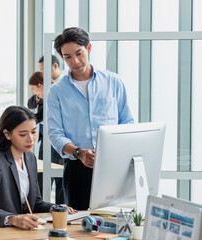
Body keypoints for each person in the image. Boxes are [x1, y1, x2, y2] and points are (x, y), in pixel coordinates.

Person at [46, 27, 134, 210]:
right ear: (62, 58)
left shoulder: (113, 82)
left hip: (113, 166)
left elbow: (127, 123)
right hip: (77, 168)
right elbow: (55, 134)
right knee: (79, 226)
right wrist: (79, 153)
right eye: (67, 57)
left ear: (89, 48)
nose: (75, 61)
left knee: (115, 221)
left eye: (79, 53)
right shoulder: (56, 92)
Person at [0, 106, 75, 229]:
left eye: (34, 132)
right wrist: (13, 219)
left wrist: (55, 208)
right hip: (0, 231)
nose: (31, 139)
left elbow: (35, 203)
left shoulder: (30, 159)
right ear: (7, 134)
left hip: (24, 231)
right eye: (23, 134)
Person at [27, 71, 66, 205]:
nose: (34, 92)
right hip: (46, 140)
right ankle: (41, 205)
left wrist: (26, 122)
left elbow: (42, 116)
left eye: (34, 89)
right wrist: (39, 97)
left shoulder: (56, 93)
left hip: (59, 141)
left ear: (40, 85)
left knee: (60, 179)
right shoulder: (43, 96)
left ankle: (61, 211)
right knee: (42, 176)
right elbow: (30, 104)